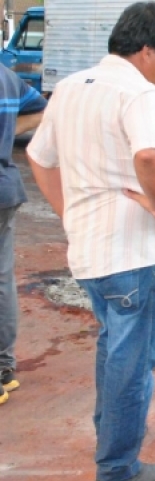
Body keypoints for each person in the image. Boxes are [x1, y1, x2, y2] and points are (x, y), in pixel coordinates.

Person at [27, 1, 155, 481]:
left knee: (114, 350)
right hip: (133, 256)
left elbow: (39, 158)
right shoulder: (137, 92)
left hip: (90, 255)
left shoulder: (70, 87)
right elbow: (152, 158)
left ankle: (112, 447)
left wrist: (67, 212)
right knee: (133, 366)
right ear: (145, 51)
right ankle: (118, 469)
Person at [0, 64, 47, 406]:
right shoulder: (6, 75)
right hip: (6, 190)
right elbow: (44, 109)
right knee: (2, 280)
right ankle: (3, 369)